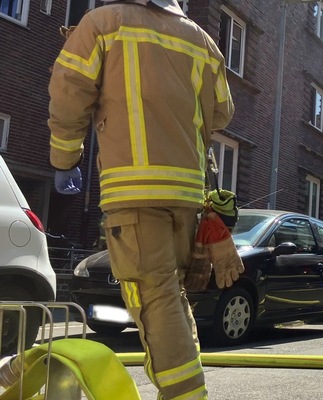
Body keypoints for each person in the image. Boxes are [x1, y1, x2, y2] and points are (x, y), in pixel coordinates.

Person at [48, 1, 235, 398]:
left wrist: (64, 159)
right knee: (170, 295)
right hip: (186, 192)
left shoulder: (103, 23)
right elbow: (222, 113)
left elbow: (69, 92)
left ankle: (187, 395)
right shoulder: (203, 41)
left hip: (133, 189)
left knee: (154, 298)